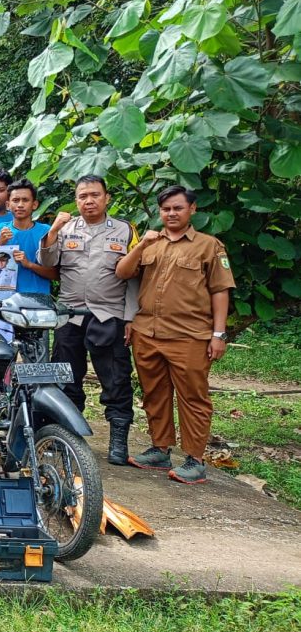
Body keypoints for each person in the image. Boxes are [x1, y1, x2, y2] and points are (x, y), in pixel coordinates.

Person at [116, 186, 235, 484]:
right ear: (160, 211)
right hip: (147, 333)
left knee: (193, 398)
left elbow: (220, 291)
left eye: (178, 208)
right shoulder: (151, 243)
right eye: (166, 209)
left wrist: (218, 334)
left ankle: (195, 459)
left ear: (192, 209)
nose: (171, 213)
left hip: (190, 336)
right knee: (154, 395)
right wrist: (142, 245)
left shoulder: (209, 246)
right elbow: (123, 272)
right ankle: (160, 449)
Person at [37, 174, 138, 466]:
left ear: (107, 198)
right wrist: (54, 229)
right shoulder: (65, 229)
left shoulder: (124, 230)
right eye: (83, 196)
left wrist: (130, 317)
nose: (89, 201)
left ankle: (118, 440)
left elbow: (133, 278)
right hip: (70, 315)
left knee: (116, 379)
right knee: (66, 377)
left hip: (109, 314)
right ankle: (67, 437)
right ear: (76, 200)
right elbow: (46, 262)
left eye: (94, 195)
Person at [0, 180, 56, 296]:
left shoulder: (46, 232)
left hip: (38, 300)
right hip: (3, 299)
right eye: (15, 200)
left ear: (34, 204)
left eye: (25, 200)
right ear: (8, 205)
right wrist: (0, 246)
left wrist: (29, 264)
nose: (20, 205)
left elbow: (56, 274)